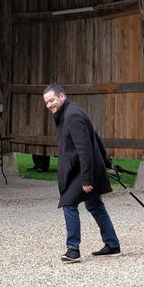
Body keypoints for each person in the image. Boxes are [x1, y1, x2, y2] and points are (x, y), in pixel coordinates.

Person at [43, 83, 121, 263]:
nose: (49, 105)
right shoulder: (69, 112)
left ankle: (73, 249)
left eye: (52, 100)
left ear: (62, 96)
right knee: (94, 205)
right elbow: (96, 138)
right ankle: (112, 244)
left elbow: (85, 148)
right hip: (83, 169)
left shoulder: (72, 115)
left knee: (69, 203)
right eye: (47, 102)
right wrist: (106, 162)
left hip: (84, 171)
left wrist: (87, 179)